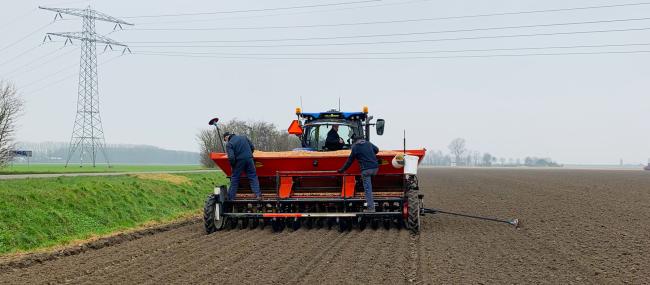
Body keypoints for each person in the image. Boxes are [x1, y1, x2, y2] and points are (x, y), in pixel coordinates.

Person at [337, 135, 380, 212]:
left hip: (366, 170)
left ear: (354, 141)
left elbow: (349, 161)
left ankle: (371, 208)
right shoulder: (368, 143)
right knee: (369, 181)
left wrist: (342, 170)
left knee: (368, 189)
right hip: (375, 168)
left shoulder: (355, 147)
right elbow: (377, 150)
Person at [224, 132, 262, 200]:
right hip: (249, 159)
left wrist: (233, 165)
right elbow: (252, 148)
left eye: (225, 140)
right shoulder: (244, 137)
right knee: (253, 176)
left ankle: (231, 198)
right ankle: (258, 195)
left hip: (239, 161)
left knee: (235, 178)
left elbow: (231, 157)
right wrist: (248, 155)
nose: (226, 141)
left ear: (226, 137)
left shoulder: (229, 144)